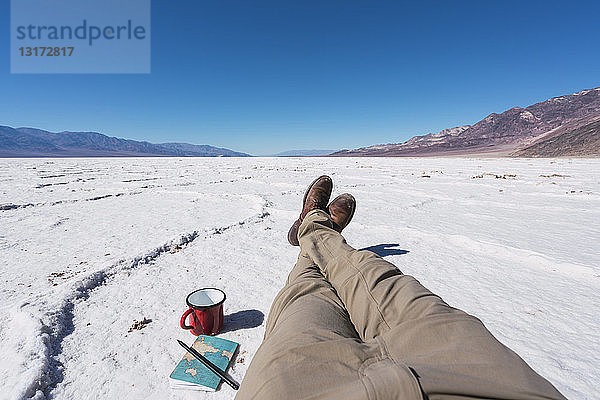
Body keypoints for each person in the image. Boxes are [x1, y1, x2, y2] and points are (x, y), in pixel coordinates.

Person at [235, 176, 566, 400]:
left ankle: (314, 228)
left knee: (307, 292)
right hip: (472, 369)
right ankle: (321, 232)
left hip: (297, 383)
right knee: (376, 276)